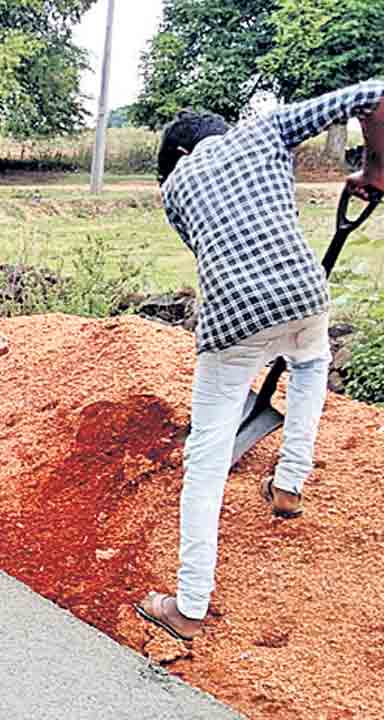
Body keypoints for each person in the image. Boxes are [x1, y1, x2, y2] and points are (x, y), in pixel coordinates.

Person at [135, 81, 384, 644]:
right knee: (310, 362)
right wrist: (375, 168)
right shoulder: (266, 130)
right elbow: (377, 93)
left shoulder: (175, 188)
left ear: (176, 156)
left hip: (232, 319)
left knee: (205, 456)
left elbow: (216, 248)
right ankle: (290, 484)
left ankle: (189, 607)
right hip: (304, 295)